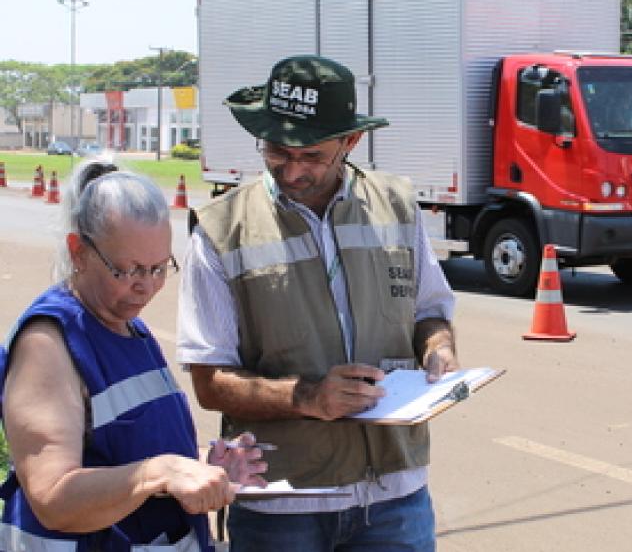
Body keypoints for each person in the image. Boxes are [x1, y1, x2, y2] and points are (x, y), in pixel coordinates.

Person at [176, 55, 459, 551]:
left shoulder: (396, 204)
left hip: (395, 497)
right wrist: (309, 398)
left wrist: (439, 349)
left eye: (311, 156)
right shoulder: (223, 230)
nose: (292, 170)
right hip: (284, 503)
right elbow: (210, 381)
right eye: (276, 152)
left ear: (350, 142)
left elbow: (429, 311)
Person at [0, 159, 267, 551]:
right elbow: (53, 498)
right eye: (128, 270)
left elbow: (138, 449)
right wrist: (158, 473)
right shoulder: (48, 344)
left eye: (159, 269)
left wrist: (200, 471)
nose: (147, 287)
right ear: (78, 252)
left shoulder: (131, 327)